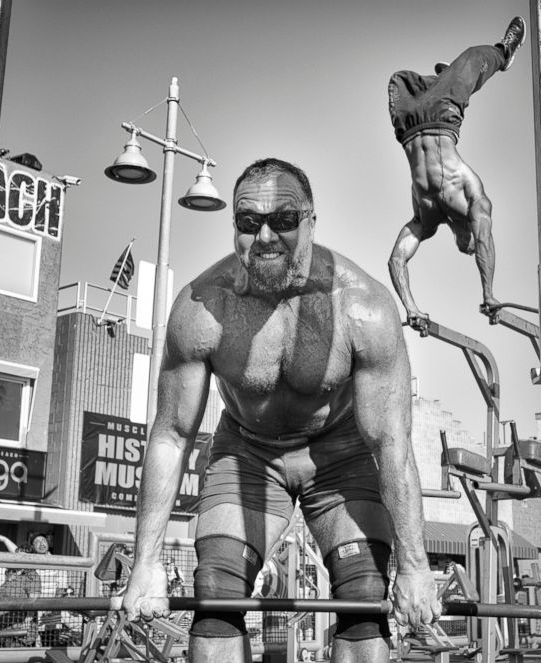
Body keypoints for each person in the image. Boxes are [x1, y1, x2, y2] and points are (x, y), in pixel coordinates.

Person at [121, 158, 440, 662]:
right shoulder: (204, 308)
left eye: (284, 220)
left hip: (342, 455)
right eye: (249, 223)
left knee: (363, 597)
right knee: (216, 591)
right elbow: (170, 436)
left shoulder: (365, 308)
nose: (265, 236)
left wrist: (416, 567)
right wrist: (146, 563)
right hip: (248, 452)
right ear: (235, 227)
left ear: (311, 221)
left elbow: (391, 444)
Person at [386, 17, 527, 335]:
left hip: (408, 126)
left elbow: (396, 260)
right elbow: (485, 241)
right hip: (443, 116)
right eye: (470, 246)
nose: (467, 245)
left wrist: (412, 309)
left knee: (399, 80)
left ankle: (444, 78)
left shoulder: (426, 220)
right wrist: (488, 293)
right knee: (473, 57)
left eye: (463, 247)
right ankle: (504, 52)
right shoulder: (475, 201)